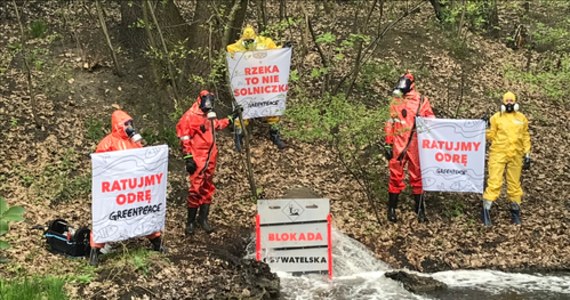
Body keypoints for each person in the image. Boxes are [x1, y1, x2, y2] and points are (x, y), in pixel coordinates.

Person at [89, 110, 164, 266]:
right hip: (114, 190)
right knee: (106, 217)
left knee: (143, 212)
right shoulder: (107, 143)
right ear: (118, 125)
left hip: (133, 189)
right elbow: (100, 167)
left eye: (130, 123)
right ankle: (95, 252)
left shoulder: (134, 142)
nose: (129, 126)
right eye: (126, 124)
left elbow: (144, 160)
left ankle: (157, 243)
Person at [176, 90, 238, 235]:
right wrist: (188, 158)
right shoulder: (190, 116)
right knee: (195, 188)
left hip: (210, 156)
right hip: (198, 156)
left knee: (207, 187)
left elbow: (217, 125)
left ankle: (203, 219)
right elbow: (184, 137)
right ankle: (190, 222)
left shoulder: (208, 116)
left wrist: (230, 118)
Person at [226, 24, 290, 151]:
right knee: (244, 109)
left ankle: (274, 134)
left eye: (251, 41)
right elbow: (230, 51)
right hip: (247, 84)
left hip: (264, 82)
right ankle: (239, 137)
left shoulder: (265, 43)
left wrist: (284, 49)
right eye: (246, 41)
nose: (249, 43)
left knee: (272, 105)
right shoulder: (237, 47)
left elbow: (275, 52)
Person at [384, 71, 435, 223]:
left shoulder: (422, 101)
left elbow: (431, 119)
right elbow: (390, 122)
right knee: (395, 175)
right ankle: (392, 208)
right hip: (398, 143)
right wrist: (388, 142)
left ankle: (419, 209)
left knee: (417, 175)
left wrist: (424, 119)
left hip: (415, 143)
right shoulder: (396, 100)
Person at [481, 91, 531, 226]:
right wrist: (483, 126)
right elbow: (490, 135)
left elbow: (525, 136)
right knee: (494, 182)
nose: (509, 103)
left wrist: (527, 153)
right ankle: (485, 211)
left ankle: (515, 212)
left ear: (515, 102)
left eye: (511, 101)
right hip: (498, 153)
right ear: (503, 102)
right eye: (507, 101)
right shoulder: (496, 118)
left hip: (516, 155)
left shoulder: (521, 118)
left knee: (514, 184)